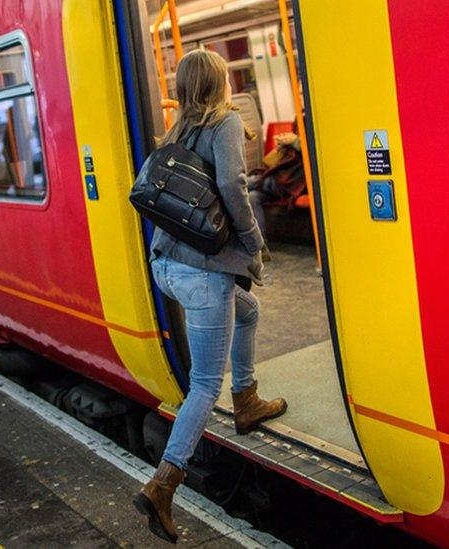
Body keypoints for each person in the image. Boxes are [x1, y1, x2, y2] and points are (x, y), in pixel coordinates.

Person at [134, 49, 288, 544]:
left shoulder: (177, 130)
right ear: (220, 84)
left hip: (167, 266)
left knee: (249, 311)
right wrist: (254, 242)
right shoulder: (224, 123)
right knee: (203, 385)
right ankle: (164, 484)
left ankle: (246, 399)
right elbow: (231, 185)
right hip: (203, 275)